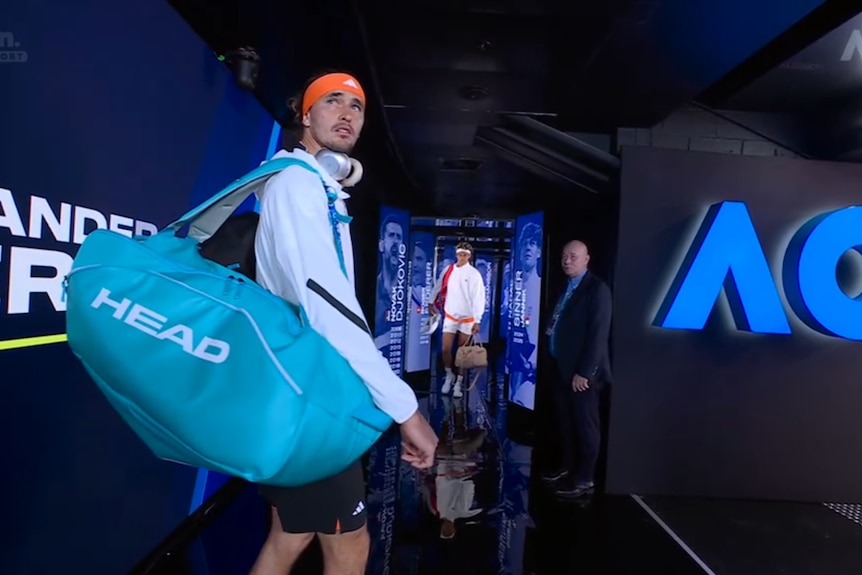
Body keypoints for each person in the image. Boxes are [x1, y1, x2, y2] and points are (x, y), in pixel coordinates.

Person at [250, 70, 439, 575]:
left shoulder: (308, 185)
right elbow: (326, 308)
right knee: (348, 548)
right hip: (311, 399)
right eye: (332, 102)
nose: (348, 114)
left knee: (289, 537)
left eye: (356, 107)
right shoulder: (296, 184)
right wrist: (407, 411)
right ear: (304, 115)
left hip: (301, 393)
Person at [541, 240, 612, 499]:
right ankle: (567, 468)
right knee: (566, 424)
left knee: (585, 426)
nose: (567, 260)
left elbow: (598, 334)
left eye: (573, 256)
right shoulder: (566, 287)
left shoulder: (597, 289)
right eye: (564, 255)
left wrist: (586, 372)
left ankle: (585, 478)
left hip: (582, 375)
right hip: (562, 370)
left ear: (586, 259)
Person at [429, 241, 486, 398]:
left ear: (469, 256)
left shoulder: (474, 274)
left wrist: (477, 319)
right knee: (446, 348)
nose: (462, 257)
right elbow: (438, 286)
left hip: (467, 319)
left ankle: (459, 383)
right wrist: (430, 301)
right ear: (456, 254)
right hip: (450, 316)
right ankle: (449, 375)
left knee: (463, 353)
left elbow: (479, 298)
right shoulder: (449, 270)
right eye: (460, 254)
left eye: (465, 255)